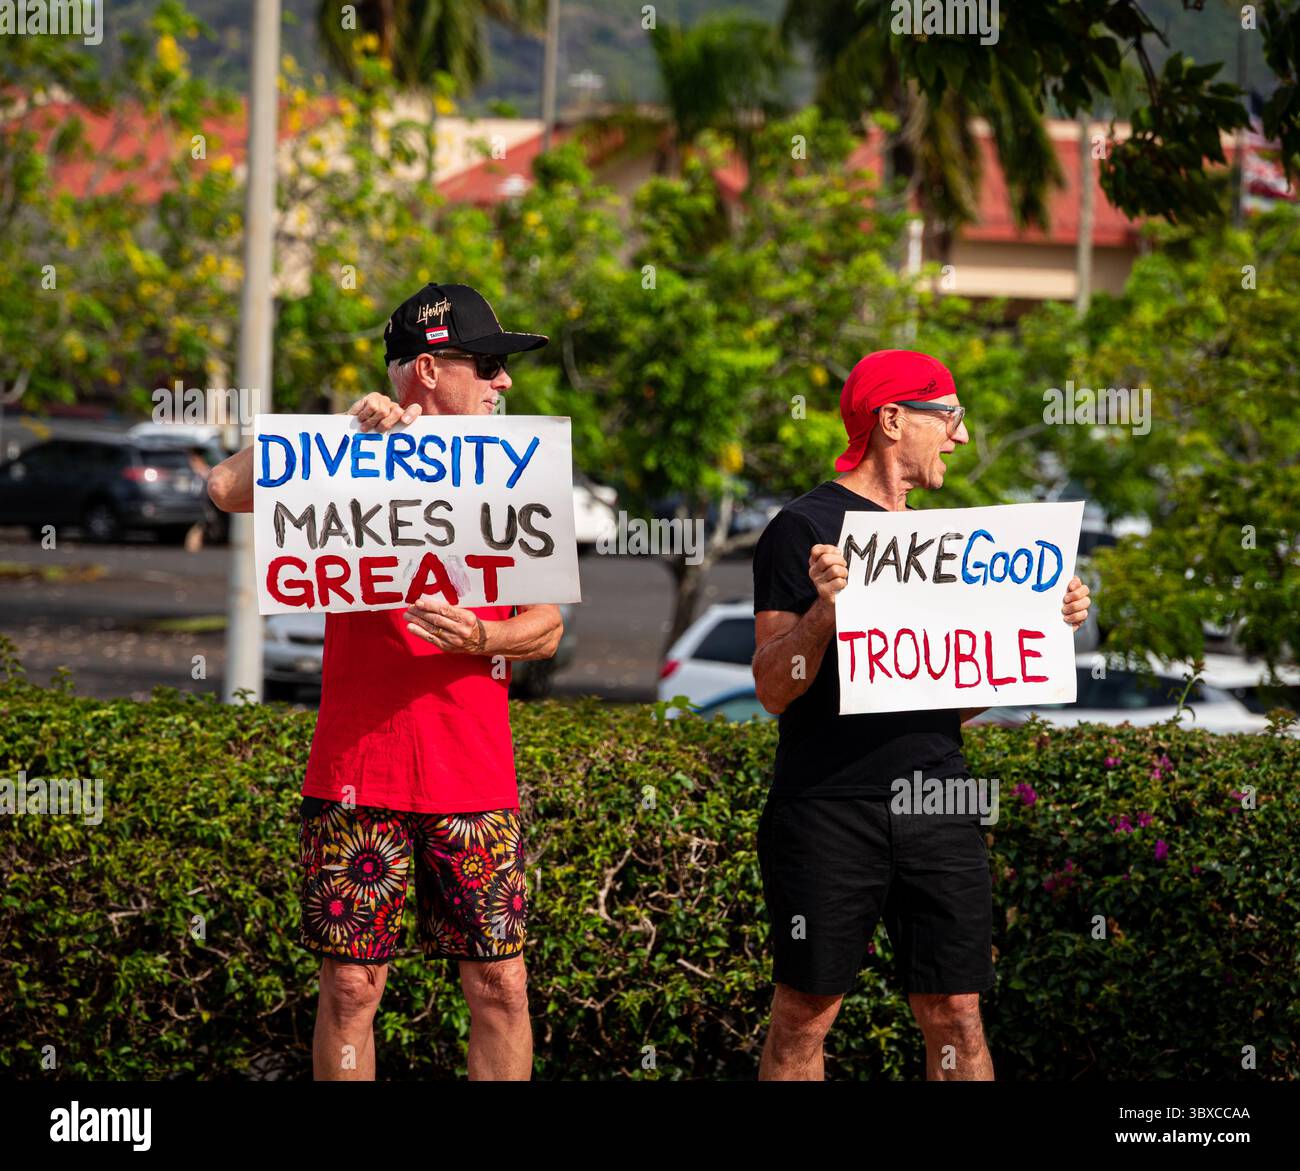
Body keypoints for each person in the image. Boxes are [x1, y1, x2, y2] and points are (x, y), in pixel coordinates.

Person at [207, 283, 564, 1081]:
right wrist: (342, 435)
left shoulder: (516, 468)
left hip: (474, 776)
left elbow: (548, 626)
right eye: (490, 364)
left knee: (502, 986)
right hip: (355, 775)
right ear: (431, 370)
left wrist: (483, 635)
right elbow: (224, 489)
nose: (505, 381)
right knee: (352, 988)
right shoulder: (347, 460)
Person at [751, 349, 1091, 1081]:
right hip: (827, 803)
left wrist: (1034, 634)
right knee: (805, 1016)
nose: (961, 438)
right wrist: (824, 613)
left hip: (940, 795)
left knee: (958, 1011)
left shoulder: (941, 546)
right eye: (952, 417)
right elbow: (776, 686)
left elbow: (953, 699)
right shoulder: (799, 526)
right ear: (893, 419)